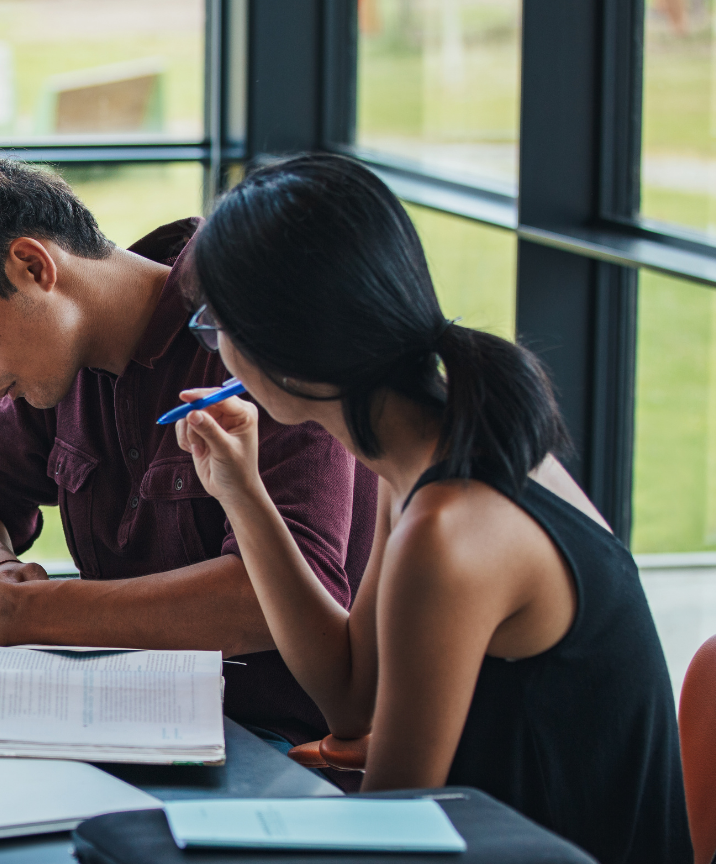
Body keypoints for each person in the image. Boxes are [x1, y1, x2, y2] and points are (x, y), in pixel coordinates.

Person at [171, 153, 688, 861]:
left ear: (284, 354)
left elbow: (388, 833)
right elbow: (352, 696)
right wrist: (244, 496)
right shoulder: (439, 448)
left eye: (215, 328)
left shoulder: (447, 532)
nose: (217, 351)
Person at [0, 140, 376, 747]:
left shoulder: (248, 332)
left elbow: (271, 601)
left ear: (33, 266)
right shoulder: (59, 373)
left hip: (282, 747)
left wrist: (19, 615)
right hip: (124, 719)